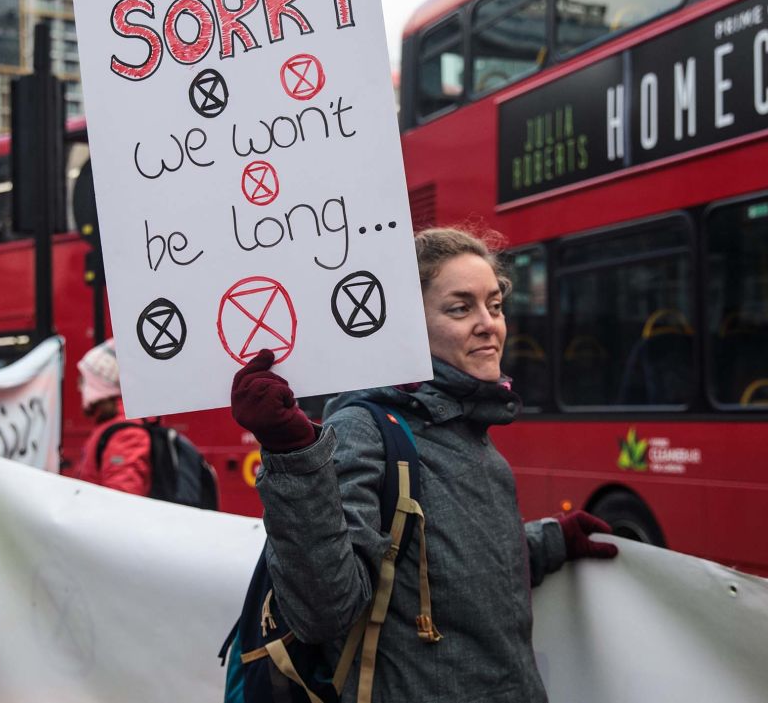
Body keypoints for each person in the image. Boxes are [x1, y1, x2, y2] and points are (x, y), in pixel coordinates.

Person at [230, 227, 618, 702]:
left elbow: (439, 568)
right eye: (461, 308)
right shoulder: (364, 428)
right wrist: (291, 457)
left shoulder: (467, 426)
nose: (488, 324)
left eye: (495, 305)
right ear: (408, 325)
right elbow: (323, 609)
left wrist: (547, 542)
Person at [71, 339, 153, 495]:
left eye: (84, 380)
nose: (79, 387)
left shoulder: (125, 434)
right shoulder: (111, 427)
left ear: (101, 384)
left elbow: (122, 502)